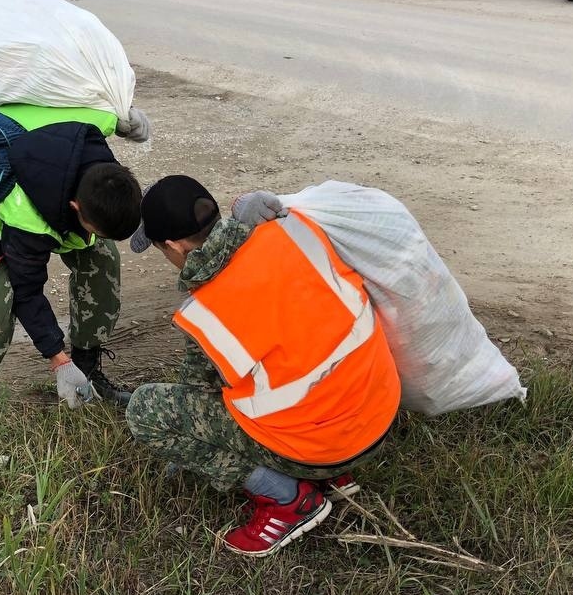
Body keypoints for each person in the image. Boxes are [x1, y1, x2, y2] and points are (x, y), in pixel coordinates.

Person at [125, 176, 401, 557]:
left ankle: (289, 500)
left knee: (147, 411)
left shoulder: (207, 310)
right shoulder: (292, 234)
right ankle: (335, 478)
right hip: (376, 415)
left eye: (158, 248)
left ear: (173, 246)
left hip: (323, 449)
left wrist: (186, 451)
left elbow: (197, 395)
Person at [0, 106, 142, 428]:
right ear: (75, 206)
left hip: (49, 191)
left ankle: (89, 366)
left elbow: (100, 103)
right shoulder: (28, 218)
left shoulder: (96, 152)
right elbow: (28, 292)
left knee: (101, 257)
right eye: (94, 226)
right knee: (2, 295)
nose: (94, 234)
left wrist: (127, 115)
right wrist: (58, 361)